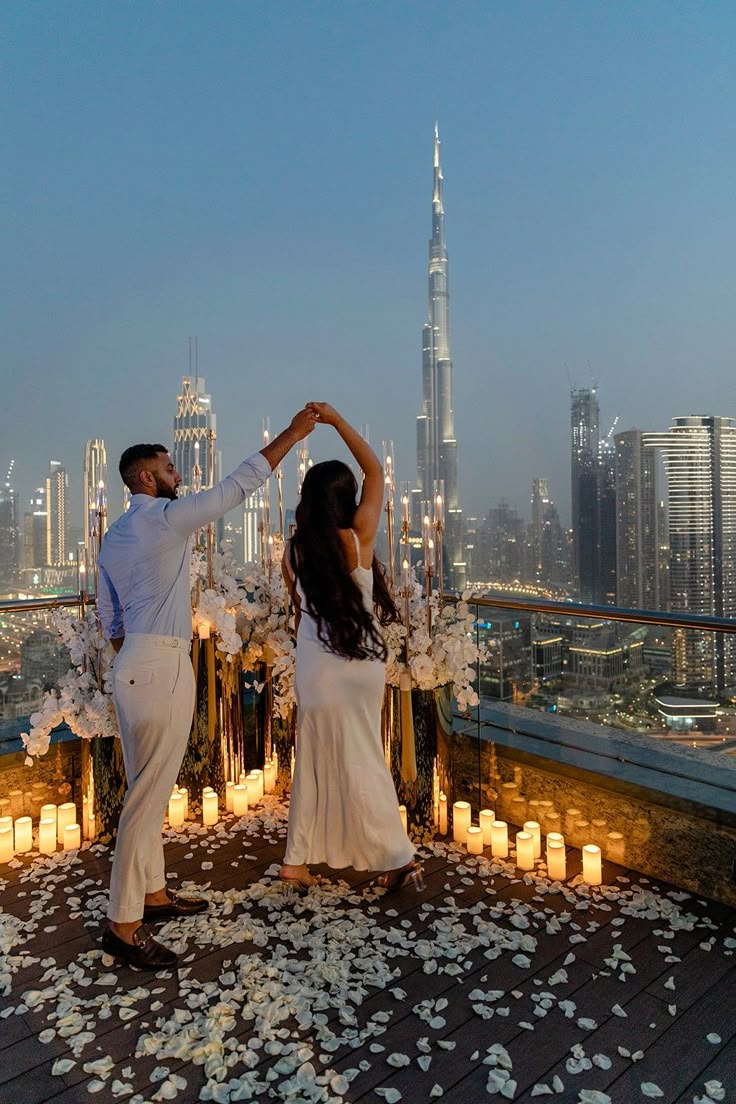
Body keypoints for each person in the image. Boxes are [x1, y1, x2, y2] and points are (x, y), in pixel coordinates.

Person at [97, 406, 317, 969]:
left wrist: (139, 656)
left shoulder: (114, 535)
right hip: (162, 665)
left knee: (143, 786)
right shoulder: (164, 519)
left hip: (131, 667)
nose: (177, 475)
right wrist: (291, 435)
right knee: (145, 801)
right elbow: (236, 487)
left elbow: (111, 619)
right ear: (146, 478)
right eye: (168, 468)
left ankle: (154, 894)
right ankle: (123, 925)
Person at [280, 402, 421, 893]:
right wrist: (338, 422)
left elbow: (298, 615)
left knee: (313, 758)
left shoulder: (293, 551)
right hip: (360, 661)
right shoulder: (358, 537)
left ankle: (296, 861)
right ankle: (396, 856)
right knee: (364, 757)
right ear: (346, 499)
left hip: (316, 667)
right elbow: (376, 469)